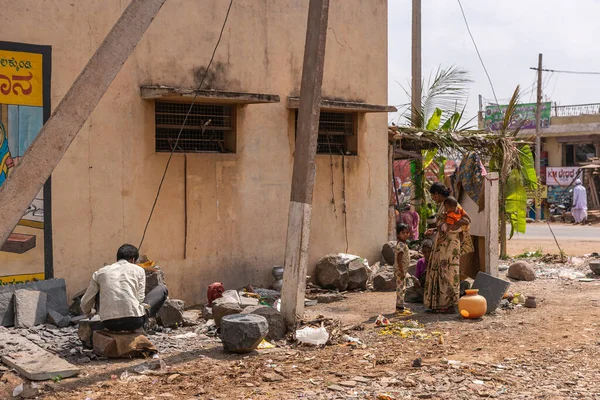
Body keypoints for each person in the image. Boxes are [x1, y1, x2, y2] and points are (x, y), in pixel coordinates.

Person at [80, 244, 169, 332]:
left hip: (108, 323)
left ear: (118, 258)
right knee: (162, 289)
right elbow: (140, 299)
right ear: (132, 259)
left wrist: (90, 313)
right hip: (135, 321)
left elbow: (85, 302)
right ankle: (145, 324)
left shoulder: (100, 272)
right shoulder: (139, 270)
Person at [423, 182, 472, 313]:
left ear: (437, 194)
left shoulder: (453, 204)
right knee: (441, 272)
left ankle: (449, 305)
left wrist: (453, 227)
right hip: (441, 245)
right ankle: (439, 304)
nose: (433, 199)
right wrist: (434, 230)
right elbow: (443, 223)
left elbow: (467, 220)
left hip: (450, 247)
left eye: (433, 196)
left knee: (448, 273)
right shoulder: (443, 206)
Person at [404, 239, 433, 304]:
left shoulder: (435, 262)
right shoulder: (420, 262)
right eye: (425, 252)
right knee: (407, 292)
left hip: (432, 289)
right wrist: (416, 282)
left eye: (429, 251)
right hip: (422, 288)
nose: (427, 254)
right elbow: (417, 276)